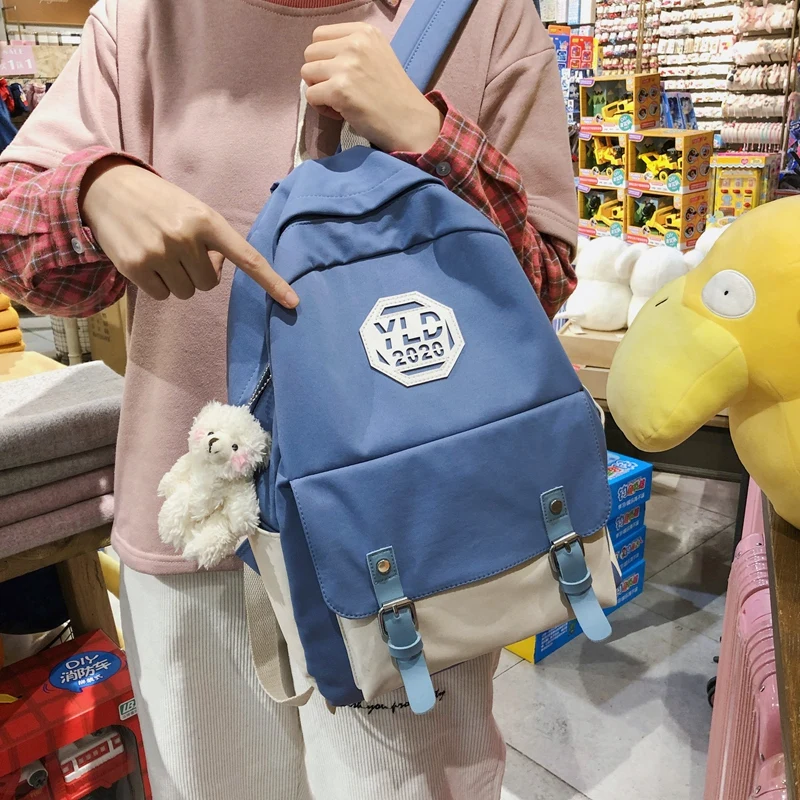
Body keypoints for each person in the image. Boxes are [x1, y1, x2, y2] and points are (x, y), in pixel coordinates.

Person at [0, 0, 578, 797]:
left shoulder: (485, 18)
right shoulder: (142, 21)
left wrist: (428, 136)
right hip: (199, 530)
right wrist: (95, 191)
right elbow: (18, 243)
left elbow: (541, 288)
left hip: (409, 539)